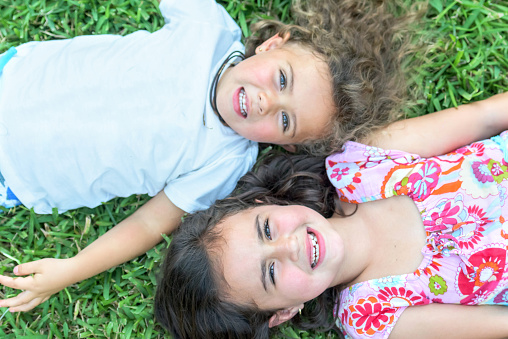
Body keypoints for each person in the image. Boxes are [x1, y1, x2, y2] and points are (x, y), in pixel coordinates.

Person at [0, 0, 414, 312]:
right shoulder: (207, 29)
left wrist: (71, 269)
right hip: (15, 79)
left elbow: (147, 222)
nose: (267, 101)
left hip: (18, 172)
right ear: (272, 45)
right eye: (281, 77)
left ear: (287, 145)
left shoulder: (225, 161)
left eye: (285, 120)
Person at [155, 91, 508, 339]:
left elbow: (485, 116)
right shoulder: (371, 318)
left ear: (264, 205)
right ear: (283, 314)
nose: (289, 245)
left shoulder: (360, 162)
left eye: (265, 230)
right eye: (271, 272)